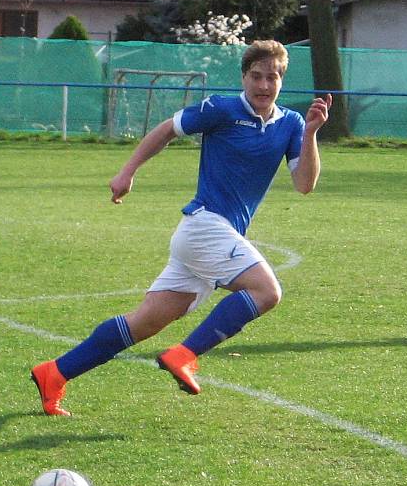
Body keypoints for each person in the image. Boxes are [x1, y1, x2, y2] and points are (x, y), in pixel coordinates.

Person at [31, 40, 332, 416]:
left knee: (142, 323)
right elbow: (166, 130)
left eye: (272, 77)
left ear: (281, 81)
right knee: (267, 291)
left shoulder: (291, 124)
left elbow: (305, 184)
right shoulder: (221, 108)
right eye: (256, 76)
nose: (263, 85)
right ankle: (184, 355)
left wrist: (311, 135)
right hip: (205, 225)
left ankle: (55, 373)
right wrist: (127, 171)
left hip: (211, 238)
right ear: (244, 76)